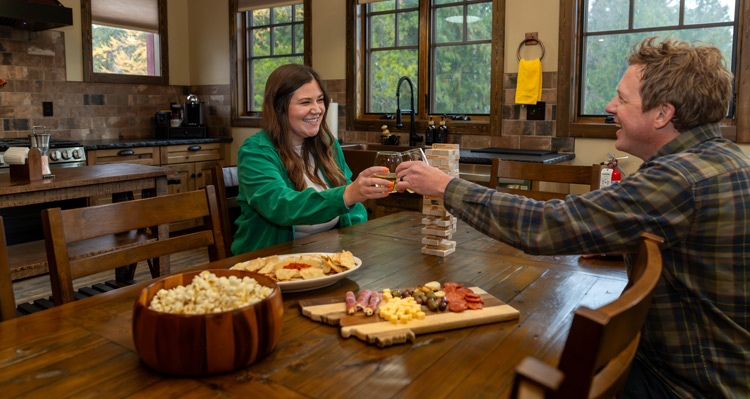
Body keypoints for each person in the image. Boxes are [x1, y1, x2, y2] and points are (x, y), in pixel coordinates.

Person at [395, 37, 750, 398]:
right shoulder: (722, 159)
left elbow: (546, 226)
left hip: (685, 385)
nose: (610, 107)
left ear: (663, 113)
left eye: (623, 99)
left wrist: (447, 187)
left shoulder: (679, 180)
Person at [232, 64, 392, 254]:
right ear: (279, 108)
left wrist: (356, 240)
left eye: (320, 100)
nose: (317, 109)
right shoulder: (255, 152)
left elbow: (354, 207)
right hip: (268, 262)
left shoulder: (328, 145)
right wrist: (346, 195)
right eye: (305, 102)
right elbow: (281, 205)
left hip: (327, 254)